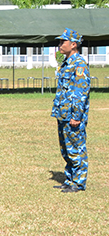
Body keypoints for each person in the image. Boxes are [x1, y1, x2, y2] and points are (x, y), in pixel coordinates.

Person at [52, 28, 90, 193]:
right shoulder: (66, 63)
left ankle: (79, 183)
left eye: (63, 42)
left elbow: (80, 92)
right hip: (63, 114)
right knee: (66, 150)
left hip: (72, 116)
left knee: (76, 149)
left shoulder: (79, 64)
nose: (60, 45)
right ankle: (70, 180)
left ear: (73, 44)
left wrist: (76, 116)